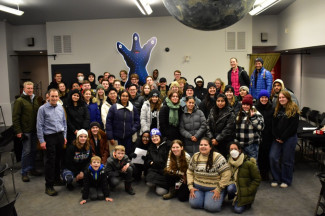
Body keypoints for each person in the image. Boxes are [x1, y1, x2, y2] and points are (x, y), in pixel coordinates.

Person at [187, 137, 231, 213]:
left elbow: (227, 173)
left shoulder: (218, 157)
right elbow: (190, 171)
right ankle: (206, 198)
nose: (203, 146)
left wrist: (219, 189)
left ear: (210, 147)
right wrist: (190, 186)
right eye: (201, 145)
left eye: (205, 145)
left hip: (214, 188)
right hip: (198, 188)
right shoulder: (195, 156)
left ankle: (222, 193)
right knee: (194, 204)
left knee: (212, 208)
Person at [37, 88, 67, 196]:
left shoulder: (60, 107)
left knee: (58, 159)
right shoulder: (42, 109)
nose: (54, 98)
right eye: (52, 96)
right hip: (49, 137)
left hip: (60, 136)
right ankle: (49, 186)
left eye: (56, 96)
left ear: (58, 97)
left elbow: (64, 122)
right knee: (50, 161)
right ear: (48, 97)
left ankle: (56, 179)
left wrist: (64, 136)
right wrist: (41, 141)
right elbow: (39, 126)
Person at [270, 90, 299, 188]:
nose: (281, 99)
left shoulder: (294, 109)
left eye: (283, 97)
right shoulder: (277, 109)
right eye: (280, 97)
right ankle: (276, 178)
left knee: (287, 160)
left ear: (288, 98)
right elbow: (273, 125)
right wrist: (277, 137)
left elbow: (293, 127)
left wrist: (283, 137)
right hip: (277, 138)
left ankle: (286, 180)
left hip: (289, 138)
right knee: (273, 157)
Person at [12, 81, 41, 182]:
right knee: (26, 151)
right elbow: (15, 117)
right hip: (25, 131)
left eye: (31, 88)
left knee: (33, 151)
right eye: (28, 88)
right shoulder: (19, 101)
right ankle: (24, 172)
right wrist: (18, 131)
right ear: (23, 89)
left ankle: (32, 169)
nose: (30, 90)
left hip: (34, 130)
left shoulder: (35, 99)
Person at [226, 142, 261, 214]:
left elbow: (257, 179)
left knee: (238, 210)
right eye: (231, 149)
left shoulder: (249, 163)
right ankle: (237, 197)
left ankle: (245, 201)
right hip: (235, 185)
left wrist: (249, 190)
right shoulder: (228, 161)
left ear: (240, 150)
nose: (233, 151)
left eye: (235, 149)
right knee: (230, 188)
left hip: (245, 189)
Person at [106, 90, 140, 155]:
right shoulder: (114, 107)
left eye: (127, 96)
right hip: (116, 137)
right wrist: (110, 137)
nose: (125, 98)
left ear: (129, 97)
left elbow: (137, 121)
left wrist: (132, 130)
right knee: (116, 155)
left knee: (126, 155)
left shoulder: (132, 108)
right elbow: (108, 122)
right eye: (123, 96)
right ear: (120, 97)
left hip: (128, 137)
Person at [235, 94, 264, 160]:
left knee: (253, 164)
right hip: (241, 144)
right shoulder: (239, 113)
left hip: (251, 144)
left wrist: (253, 118)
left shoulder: (256, 113)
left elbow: (260, 127)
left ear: (251, 106)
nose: (245, 106)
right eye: (244, 104)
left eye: (247, 105)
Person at [255, 90, 274, 180]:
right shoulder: (255, 108)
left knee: (266, 155)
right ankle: (258, 173)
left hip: (268, 136)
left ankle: (265, 173)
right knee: (258, 155)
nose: (264, 99)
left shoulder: (272, 108)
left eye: (266, 97)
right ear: (259, 98)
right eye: (262, 97)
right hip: (257, 135)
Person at [145, 128, 170, 196]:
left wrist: (156, 162)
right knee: (149, 181)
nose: (154, 138)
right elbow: (148, 160)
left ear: (160, 136)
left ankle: (162, 184)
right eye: (152, 137)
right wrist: (150, 162)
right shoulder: (151, 147)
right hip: (155, 169)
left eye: (156, 136)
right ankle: (157, 183)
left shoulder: (167, 145)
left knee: (160, 192)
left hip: (164, 171)